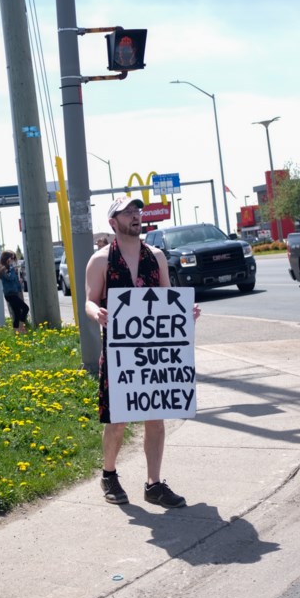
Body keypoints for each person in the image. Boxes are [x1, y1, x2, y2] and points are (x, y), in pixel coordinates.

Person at [84, 196, 201, 509]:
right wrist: (97, 313)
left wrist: (185, 313)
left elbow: (167, 298)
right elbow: (89, 300)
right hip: (119, 353)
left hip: (154, 353)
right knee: (118, 421)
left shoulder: (156, 257)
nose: (136, 216)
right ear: (113, 222)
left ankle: (154, 484)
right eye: (128, 212)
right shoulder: (100, 261)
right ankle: (109, 474)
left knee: (155, 419)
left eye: (138, 211)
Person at [0, 250, 29, 334]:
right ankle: (22, 328)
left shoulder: (9, 268)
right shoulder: (4, 268)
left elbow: (13, 280)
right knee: (26, 308)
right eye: (11, 258)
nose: (13, 260)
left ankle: (16, 332)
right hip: (10, 294)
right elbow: (10, 278)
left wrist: (19, 283)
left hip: (13, 293)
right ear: (6, 258)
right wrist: (12, 269)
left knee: (17, 313)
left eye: (13, 258)